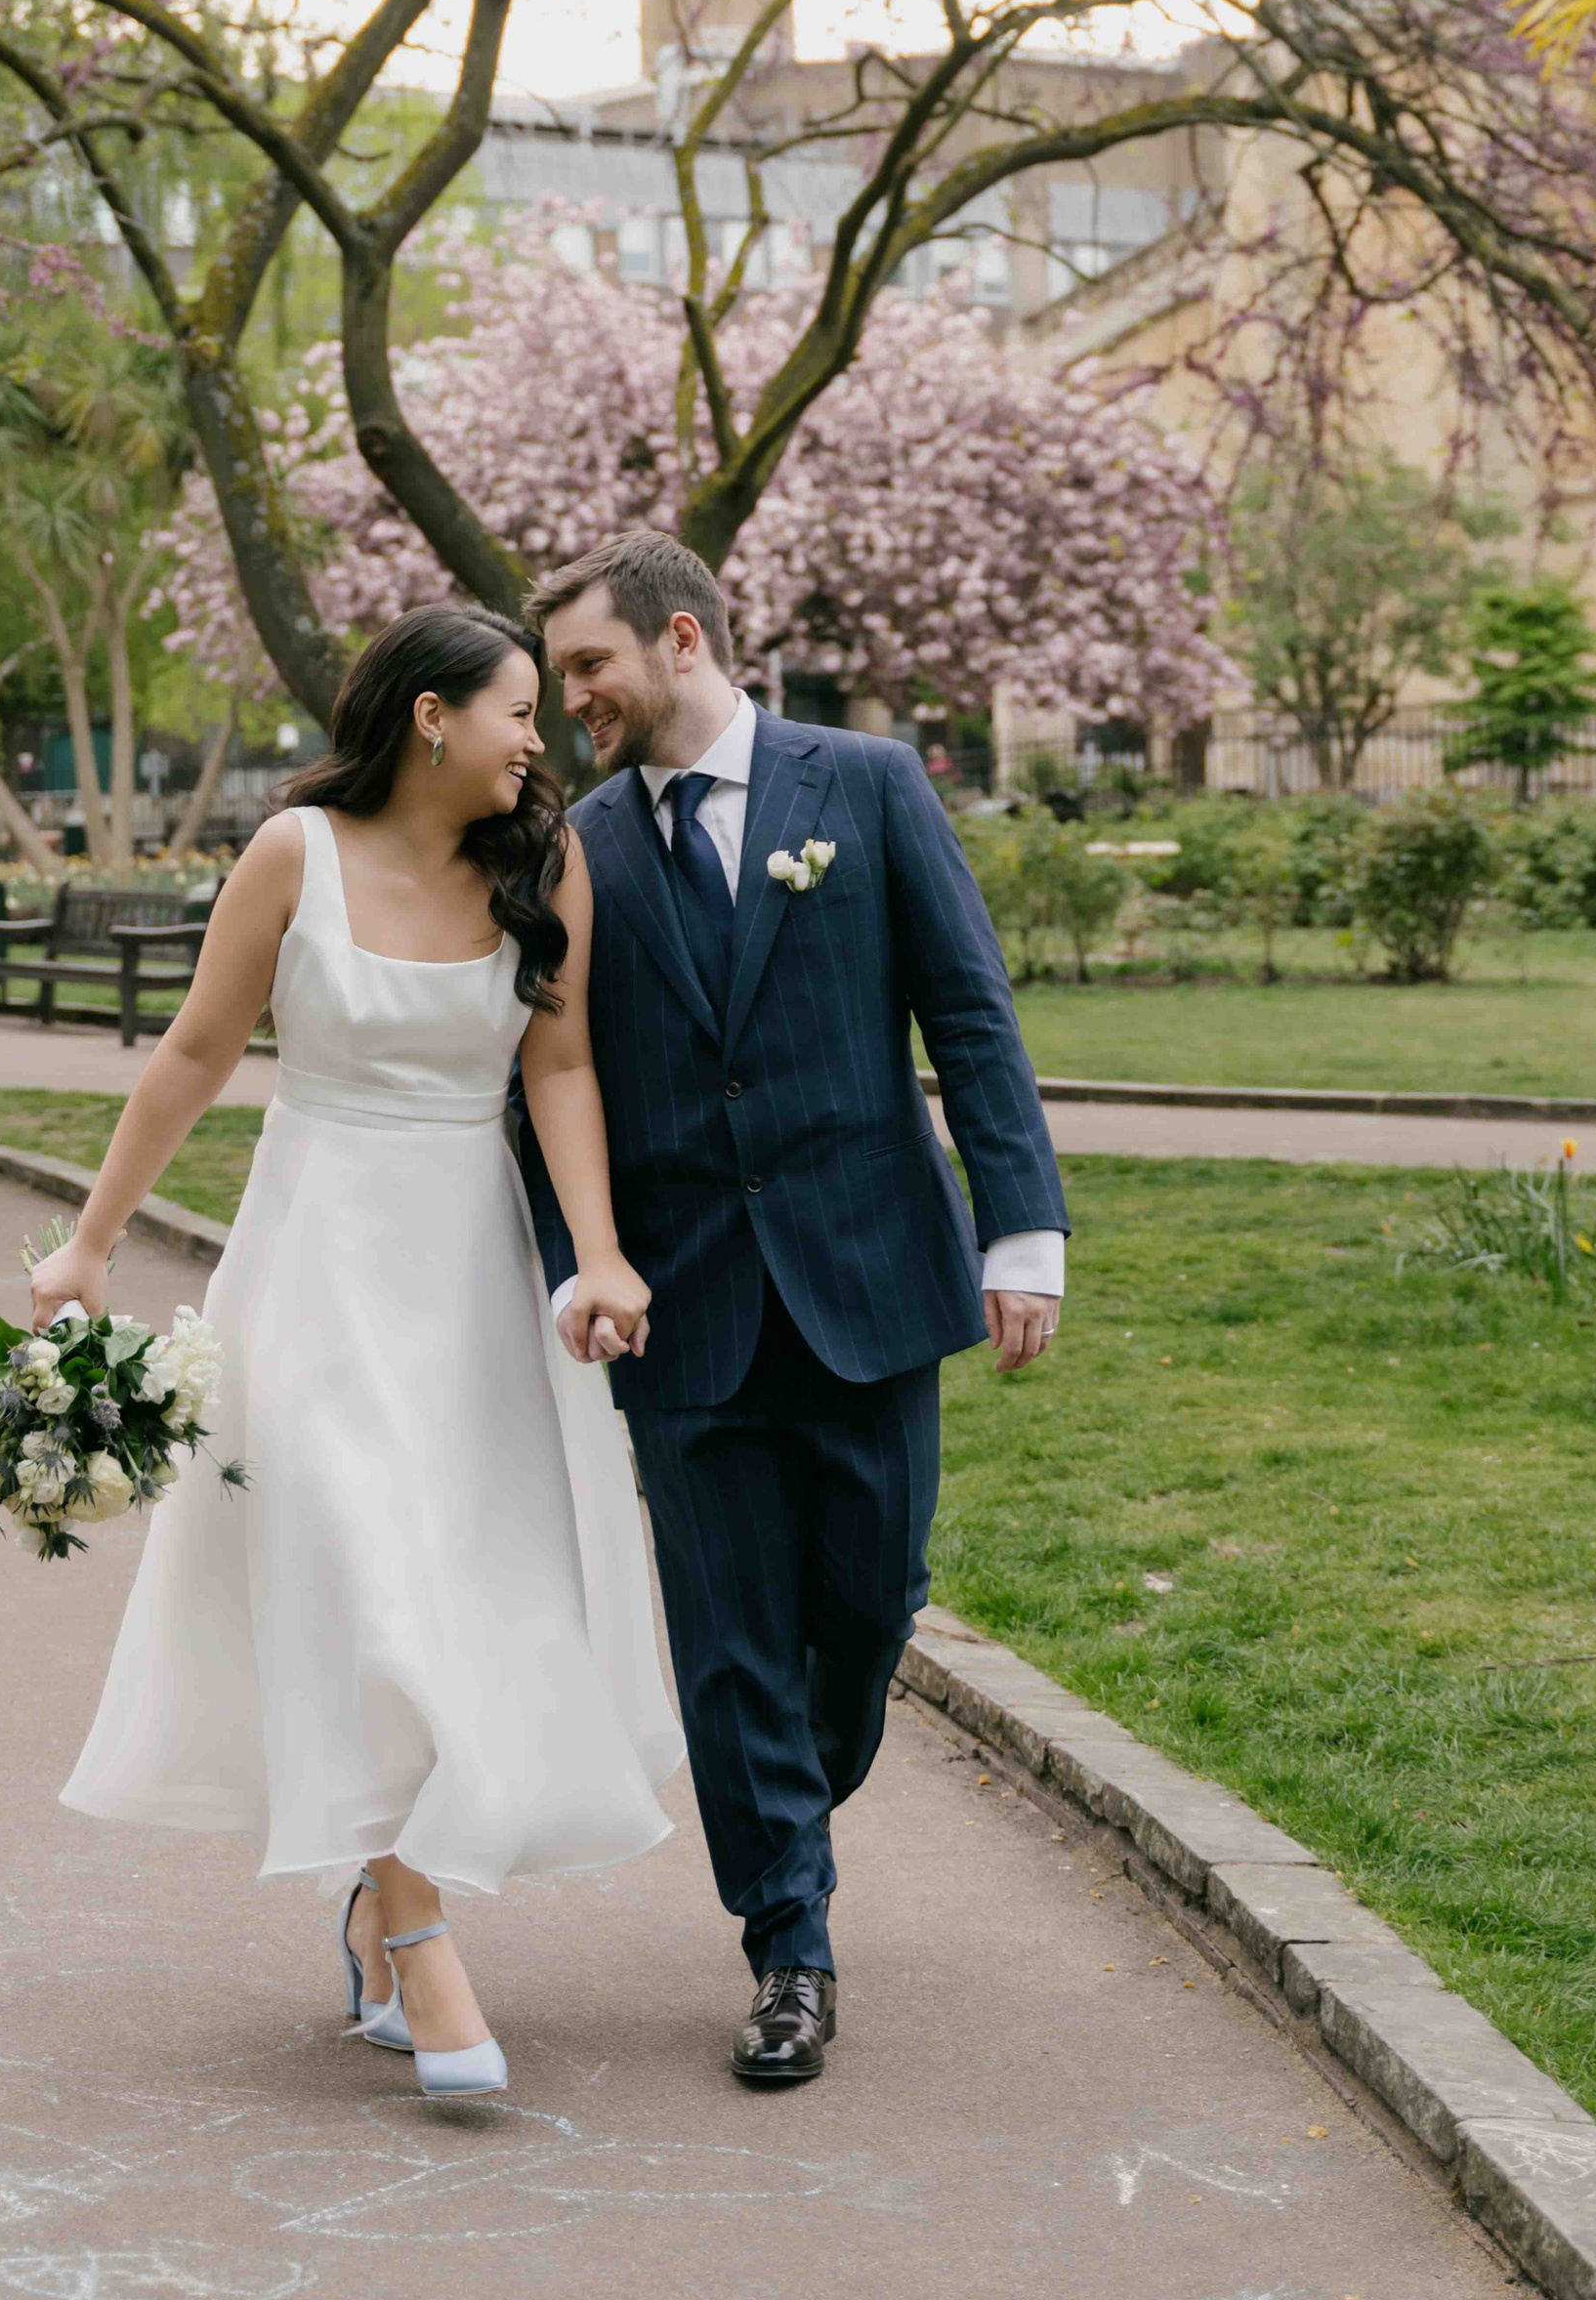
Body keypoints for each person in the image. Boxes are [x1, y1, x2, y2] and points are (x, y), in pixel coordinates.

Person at [31, 603, 682, 2097]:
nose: (541, 735)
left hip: (466, 1268)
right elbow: (197, 1052)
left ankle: (380, 1906)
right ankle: (427, 1938)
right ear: (431, 717)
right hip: (314, 1258)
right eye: (517, 708)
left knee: (458, 1590)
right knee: (358, 1575)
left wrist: (597, 1251)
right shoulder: (292, 856)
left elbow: (560, 1059)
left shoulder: (543, 859)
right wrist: (86, 1242)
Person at [525, 530, 1067, 2090]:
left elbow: (968, 1010)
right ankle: (789, 1943)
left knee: (866, 1609)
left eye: (590, 667)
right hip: (680, 1312)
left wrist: (1021, 1231)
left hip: (871, 1278)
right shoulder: (580, 846)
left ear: (680, 639)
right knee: (729, 1638)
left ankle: (786, 1804)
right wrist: (585, 1256)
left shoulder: (869, 786)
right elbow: (540, 1078)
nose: (575, 704)